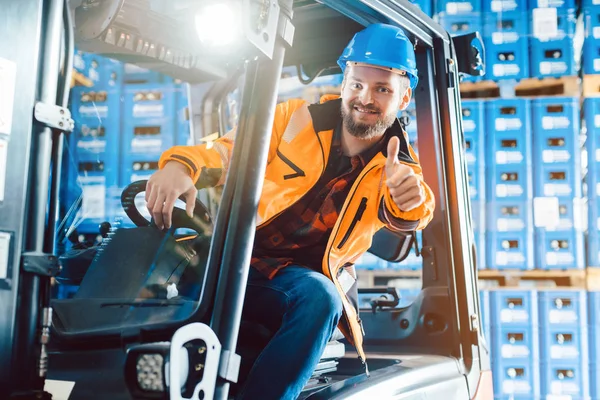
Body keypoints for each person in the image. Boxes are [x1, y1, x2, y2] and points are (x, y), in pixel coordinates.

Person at [146, 23, 435, 400]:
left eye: (382, 89)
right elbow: (224, 151)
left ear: (404, 96)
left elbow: (414, 208)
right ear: (344, 82)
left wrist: (408, 200)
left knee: (321, 296)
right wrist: (181, 166)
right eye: (358, 84)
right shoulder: (292, 119)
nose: (365, 98)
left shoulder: (398, 170)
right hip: (233, 262)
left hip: (293, 289)